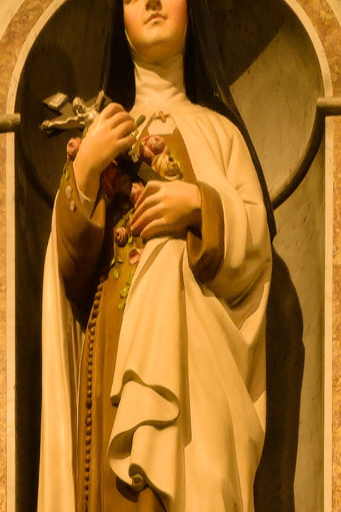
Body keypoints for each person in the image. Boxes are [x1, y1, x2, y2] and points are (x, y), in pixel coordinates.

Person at [38, 0, 274, 510]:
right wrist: (86, 169)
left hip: (199, 374)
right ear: (118, 23)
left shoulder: (221, 134)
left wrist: (200, 205)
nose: (150, 2)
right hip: (117, 362)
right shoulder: (101, 132)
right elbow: (69, 270)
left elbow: (256, 251)